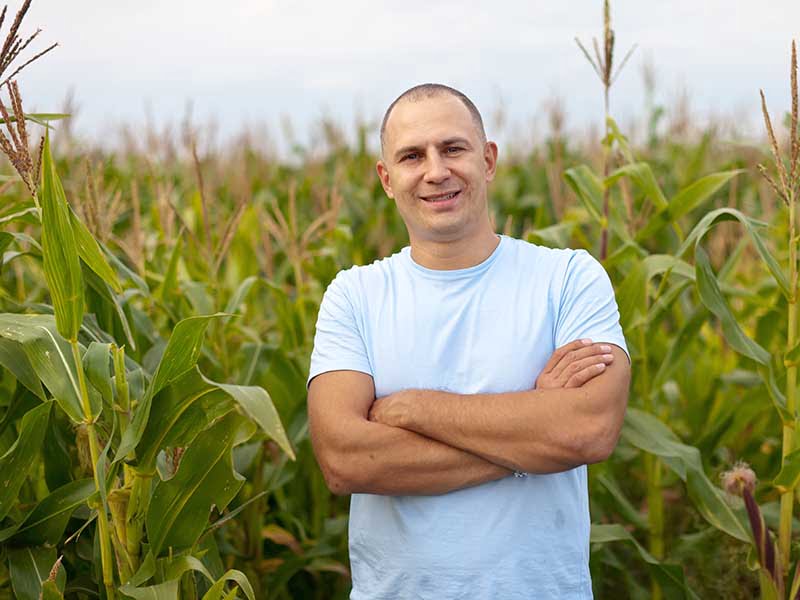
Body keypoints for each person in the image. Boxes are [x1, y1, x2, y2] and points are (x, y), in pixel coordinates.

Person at [306, 83, 631, 599]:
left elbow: (586, 432)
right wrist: (532, 431)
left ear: (488, 160)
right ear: (387, 180)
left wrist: (413, 409)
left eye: (453, 148)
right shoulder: (355, 295)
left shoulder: (568, 279)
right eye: (412, 156)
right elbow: (345, 460)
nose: (436, 171)